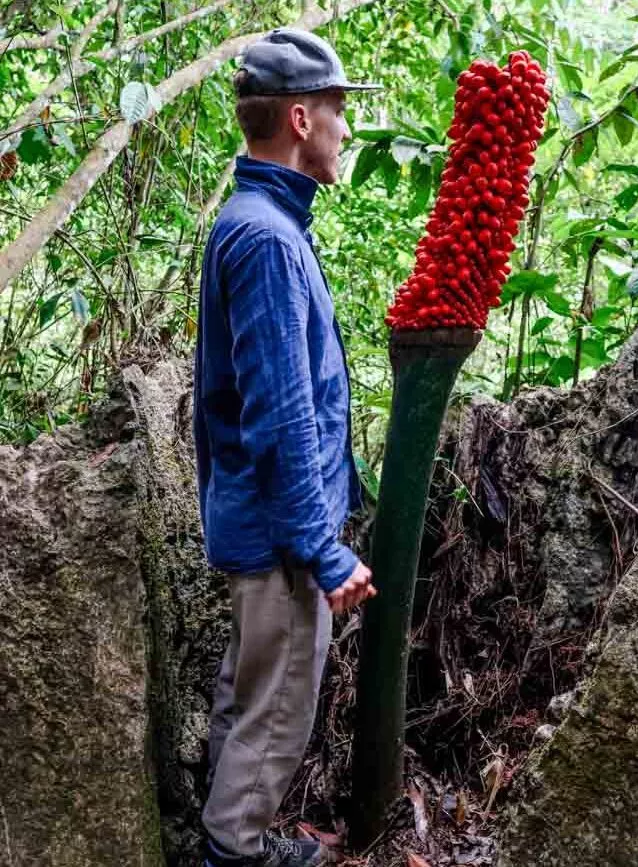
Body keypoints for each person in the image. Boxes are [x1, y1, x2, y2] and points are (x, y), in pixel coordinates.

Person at [193, 27, 381, 867]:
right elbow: (281, 415)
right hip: (279, 537)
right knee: (275, 711)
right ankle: (234, 854)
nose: (347, 128)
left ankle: (227, 836)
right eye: (340, 111)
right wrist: (322, 550)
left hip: (260, 523)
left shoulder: (264, 222)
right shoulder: (267, 237)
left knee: (249, 694)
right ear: (300, 118)